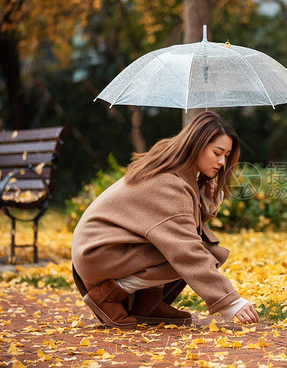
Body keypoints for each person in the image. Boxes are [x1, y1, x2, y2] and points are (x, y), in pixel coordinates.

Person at [71, 111, 259, 329]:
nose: (221, 161)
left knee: (191, 246)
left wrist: (206, 198)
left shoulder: (176, 172)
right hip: (98, 254)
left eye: (226, 155)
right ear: (197, 144)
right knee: (195, 251)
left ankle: (147, 305)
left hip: (105, 250)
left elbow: (185, 224)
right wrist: (230, 301)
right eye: (217, 152)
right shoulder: (170, 183)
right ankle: (106, 296)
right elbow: (186, 249)